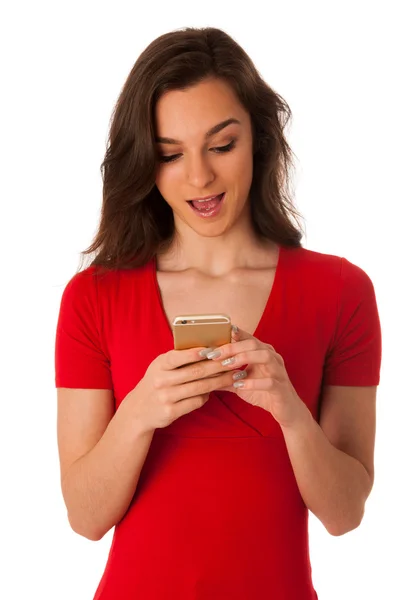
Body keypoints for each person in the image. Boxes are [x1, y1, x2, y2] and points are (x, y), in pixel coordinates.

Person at [54, 26, 382, 600]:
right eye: (170, 154)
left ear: (258, 138)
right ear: (145, 162)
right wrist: (138, 414)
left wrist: (291, 412)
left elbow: (345, 512)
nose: (200, 177)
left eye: (221, 145)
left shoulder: (341, 291)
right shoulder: (93, 296)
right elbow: (85, 518)